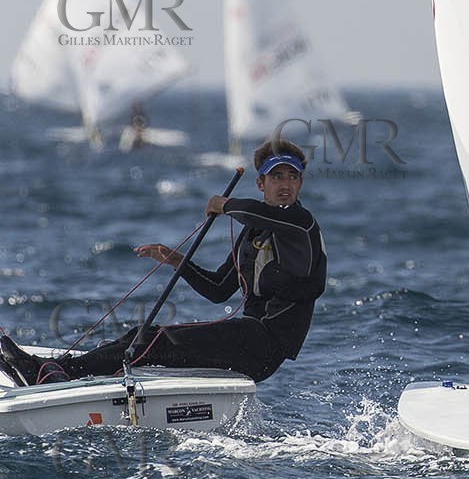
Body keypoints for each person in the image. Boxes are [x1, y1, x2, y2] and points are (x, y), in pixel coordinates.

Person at [0, 138, 327, 385]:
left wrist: (222, 203)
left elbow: (252, 211)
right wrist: (176, 260)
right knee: (139, 339)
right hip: (247, 341)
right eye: (276, 177)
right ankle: (66, 371)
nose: (285, 185)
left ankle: (51, 374)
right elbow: (218, 289)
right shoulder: (253, 231)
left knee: (152, 338)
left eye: (292, 177)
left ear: (300, 183)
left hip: (264, 345)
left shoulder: (301, 223)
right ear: (261, 183)